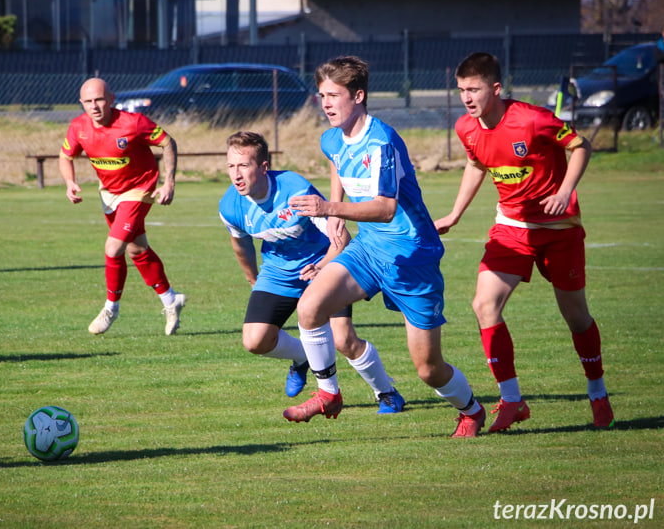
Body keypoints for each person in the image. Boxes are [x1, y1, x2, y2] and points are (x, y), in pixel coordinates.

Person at [285, 56, 485, 437]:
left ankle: (471, 410)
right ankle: (328, 393)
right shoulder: (331, 137)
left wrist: (329, 207)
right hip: (369, 250)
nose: (325, 103)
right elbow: (336, 161)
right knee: (309, 307)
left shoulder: (382, 141)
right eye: (322, 95)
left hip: (412, 258)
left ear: (358, 96)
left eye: (334, 95)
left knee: (428, 368)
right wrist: (335, 214)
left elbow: (385, 207)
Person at [434, 51, 614, 432]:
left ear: (495, 88)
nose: (467, 97)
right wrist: (455, 213)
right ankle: (512, 401)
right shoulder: (466, 127)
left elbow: (581, 146)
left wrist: (566, 190)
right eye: (462, 89)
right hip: (511, 229)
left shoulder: (532, 120)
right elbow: (476, 163)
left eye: (475, 89)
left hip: (559, 230)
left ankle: (597, 393)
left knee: (576, 316)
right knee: (485, 304)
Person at [219, 131, 405, 413]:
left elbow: (340, 237)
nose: (237, 175)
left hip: (325, 262)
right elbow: (240, 244)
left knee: (343, 339)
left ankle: (386, 392)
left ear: (264, 167)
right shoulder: (230, 206)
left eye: (244, 165)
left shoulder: (293, 190)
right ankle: (305, 357)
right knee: (255, 340)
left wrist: (322, 266)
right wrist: (253, 279)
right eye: (231, 166)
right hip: (278, 272)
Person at [59, 77, 186, 336]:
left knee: (113, 246)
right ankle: (170, 300)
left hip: (139, 190)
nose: (94, 106)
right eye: (88, 101)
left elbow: (167, 142)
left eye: (99, 99)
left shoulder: (133, 123)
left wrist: (169, 181)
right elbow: (65, 155)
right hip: (109, 194)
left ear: (111, 99)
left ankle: (111, 307)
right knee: (137, 250)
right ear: (81, 103)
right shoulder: (78, 127)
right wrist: (69, 181)